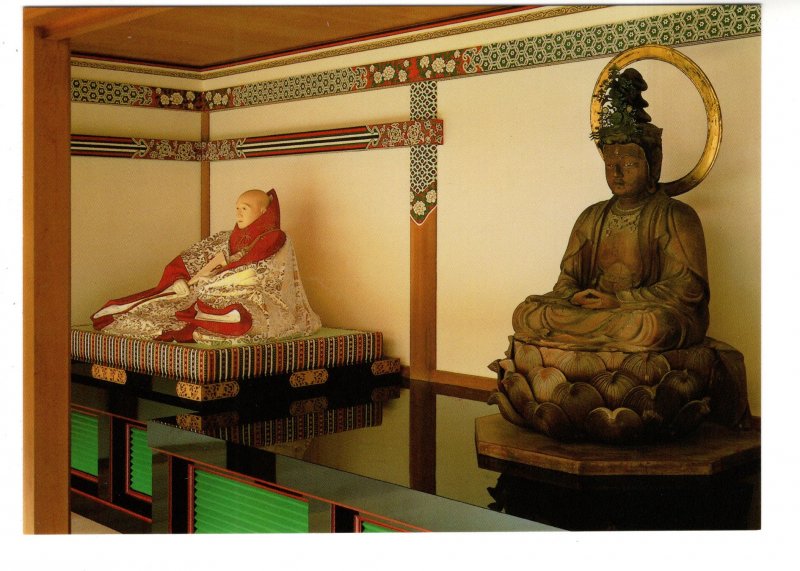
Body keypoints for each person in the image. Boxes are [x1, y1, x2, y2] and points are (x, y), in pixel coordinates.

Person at [511, 69, 709, 353]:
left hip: (637, 313)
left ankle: (581, 347)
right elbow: (567, 279)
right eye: (609, 164)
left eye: (628, 165)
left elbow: (688, 290)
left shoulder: (676, 216)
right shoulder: (592, 217)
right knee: (528, 313)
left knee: (653, 326)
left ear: (652, 166)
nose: (617, 173)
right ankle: (589, 343)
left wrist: (620, 301)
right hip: (598, 312)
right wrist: (574, 296)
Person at [91, 188, 322, 344]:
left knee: (240, 315)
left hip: (254, 298)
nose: (238, 212)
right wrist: (179, 279)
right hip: (200, 294)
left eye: (245, 208)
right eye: (237, 207)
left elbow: (259, 277)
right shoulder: (224, 238)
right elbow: (189, 259)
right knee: (147, 310)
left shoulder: (276, 239)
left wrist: (211, 282)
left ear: (263, 211)